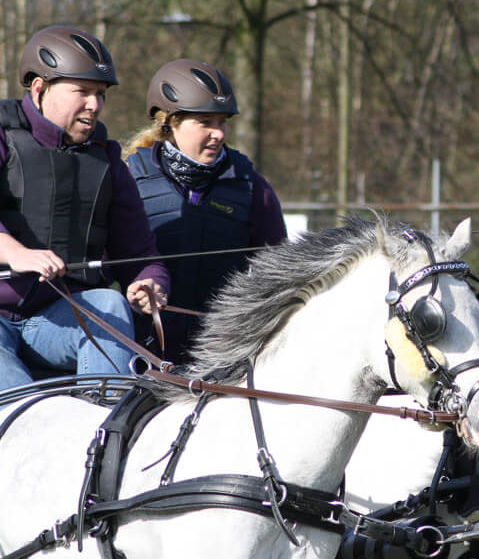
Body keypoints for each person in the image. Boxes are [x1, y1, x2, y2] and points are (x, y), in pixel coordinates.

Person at [0, 26, 168, 391]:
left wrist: (150, 283)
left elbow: (141, 254)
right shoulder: (2, 135)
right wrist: (15, 252)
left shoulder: (107, 162)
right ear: (39, 89)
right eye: (83, 92)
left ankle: (107, 430)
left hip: (54, 321)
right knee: (21, 406)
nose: (95, 105)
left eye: (101, 95)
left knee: (109, 302)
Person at [124, 58, 286, 364]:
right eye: (205, 122)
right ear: (170, 122)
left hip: (224, 353)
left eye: (222, 122)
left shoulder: (253, 188)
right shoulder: (127, 179)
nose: (219, 133)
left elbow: (278, 274)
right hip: (140, 347)